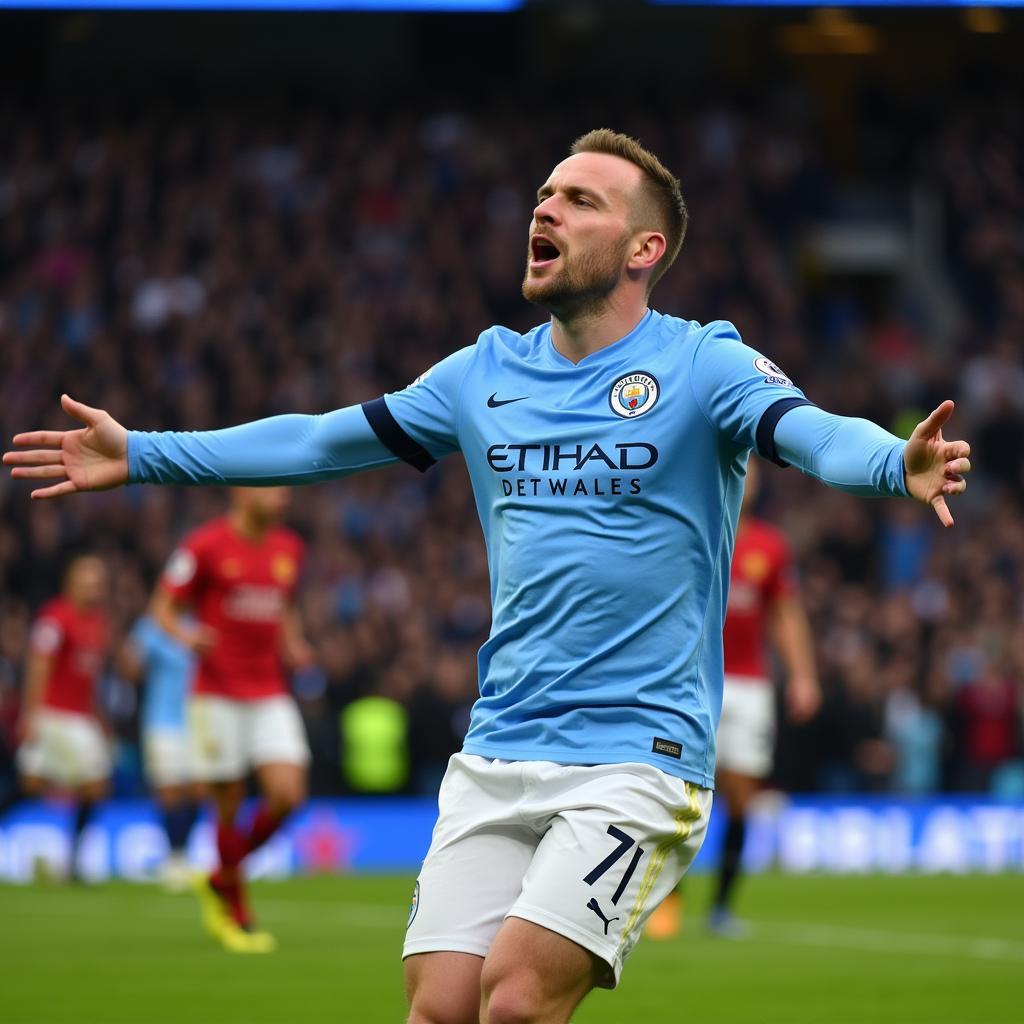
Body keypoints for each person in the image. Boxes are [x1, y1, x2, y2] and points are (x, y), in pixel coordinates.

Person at [4, 129, 971, 1022]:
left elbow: (808, 432)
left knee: (514, 1001)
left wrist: (895, 462)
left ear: (643, 250)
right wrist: (145, 454)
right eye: (545, 193)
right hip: (499, 746)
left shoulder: (702, 362)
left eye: (581, 201)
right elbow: (316, 438)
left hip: (637, 758)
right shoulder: (482, 373)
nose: (544, 209)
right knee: (441, 1009)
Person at [646, 457, 820, 941]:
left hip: (748, 684)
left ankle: (721, 907)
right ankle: (665, 900)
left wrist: (803, 675)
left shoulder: (770, 545)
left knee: (741, 797)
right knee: (673, 791)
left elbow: (785, 614)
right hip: (688, 682)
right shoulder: (688, 532)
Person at [150, 487, 313, 953]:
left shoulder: (289, 548)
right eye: (272, 486)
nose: (284, 495)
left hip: (269, 690)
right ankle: (237, 914)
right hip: (216, 693)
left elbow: (286, 607)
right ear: (241, 491)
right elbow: (161, 607)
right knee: (228, 803)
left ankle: (222, 875)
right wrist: (186, 634)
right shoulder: (205, 545)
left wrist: (294, 643)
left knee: (288, 793)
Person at [7, 554, 111, 881]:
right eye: (85, 582)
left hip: (80, 717)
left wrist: (99, 717)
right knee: (79, 785)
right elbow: (39, 665)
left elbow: (89, 678)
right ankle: (74, 861)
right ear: (71, 584)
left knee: (39, 785)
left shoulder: (98, 623)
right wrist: (30, 714)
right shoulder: (55, 617)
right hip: (54, 714)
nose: (92, 589)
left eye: (97, 583)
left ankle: (74, 861)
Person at [118, 603, 199, 892]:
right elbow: (129, 669)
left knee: (198, 790)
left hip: (201, 717)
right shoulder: (154, 624)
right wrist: (131, 656)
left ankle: (182, 854)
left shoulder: (205, 619)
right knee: (169, 791)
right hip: (162, 719)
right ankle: (174, 857)